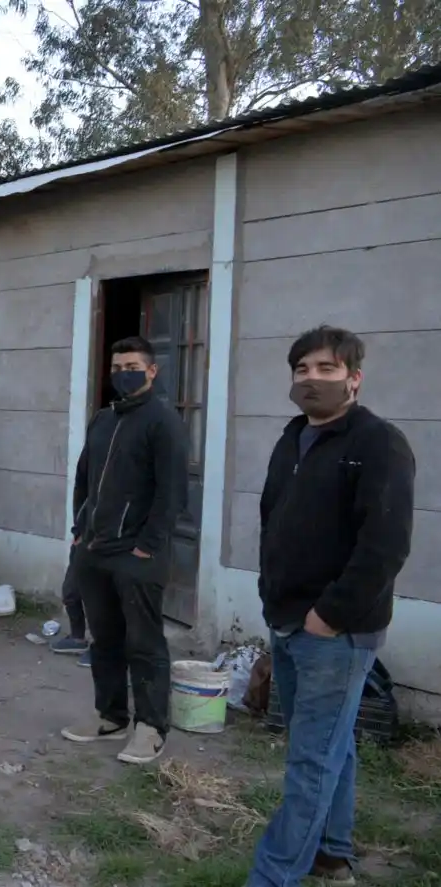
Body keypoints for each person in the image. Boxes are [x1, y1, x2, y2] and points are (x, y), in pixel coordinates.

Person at [246, 326, 414, 887]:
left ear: (354, 378)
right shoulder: (292, 438)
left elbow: (384, 546)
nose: (312, 379)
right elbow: (274, 520)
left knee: (310, 761)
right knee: (326, 749)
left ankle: (273, 876)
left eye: (326, 368)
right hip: (287, 620)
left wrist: (330, 614)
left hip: (335, 633)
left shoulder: (377, 444)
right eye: (302, 370)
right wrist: (275, 599)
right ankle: (332, 854)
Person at [62, 335, 188, 766]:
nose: (123, 373)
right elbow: (84, 477)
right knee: (106, 638)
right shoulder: (104, 418)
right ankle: (111, 715)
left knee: (145, 642)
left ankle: (151, 728)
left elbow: (172, 494)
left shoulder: (162, 421)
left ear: (152, 371)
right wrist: (80, 530)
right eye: (117, 366)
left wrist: (147, 547)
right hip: (95, 549)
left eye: (132, 365)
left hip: (136, 555)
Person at [51, 554, 91, 667]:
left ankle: (104, 649)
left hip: (107, 548)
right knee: (70, 593)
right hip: (83, 546)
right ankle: (77, 638)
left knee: (98, 600)